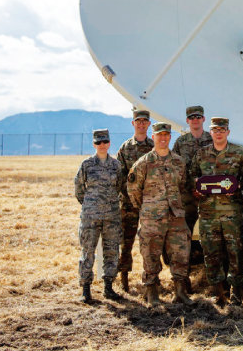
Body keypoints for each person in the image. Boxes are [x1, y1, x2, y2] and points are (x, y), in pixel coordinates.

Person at [128, 122, 194, 307]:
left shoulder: (179, 162)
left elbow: (183, 186)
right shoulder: (143, 163)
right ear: (154, 136)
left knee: (181, 254)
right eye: (159, 135)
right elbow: (133, 190)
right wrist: (147, 209)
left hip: (176, 217)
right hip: (152, 218)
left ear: (170, 137)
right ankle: (152, 293)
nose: (163, 138)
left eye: (166, 135)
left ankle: (180, 292)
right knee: (150, 255)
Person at [189, 117, 243, 306]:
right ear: (211, 132)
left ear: (228, 132)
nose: (219, 133)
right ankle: (218, 292)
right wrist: (196, 188)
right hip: (208, 214)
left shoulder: (239, 154)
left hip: (232, 213)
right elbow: (191, 176)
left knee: (235, 253)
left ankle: (237, 292)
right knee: (211, 254)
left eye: (222, 129)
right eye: (215, 130)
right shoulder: (201, 154)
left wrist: (239, 185)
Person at [74, 128, 123, 303]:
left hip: (111, 217)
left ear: (109, 143)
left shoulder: (116, 166)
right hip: (90, 217)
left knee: (112, 251)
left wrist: (107, 204)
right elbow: (79, 189)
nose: (101, 145)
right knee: (88, 252)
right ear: (93, 144)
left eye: (104, 142)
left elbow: (119, 187)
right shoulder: (86, 165)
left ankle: (108, 287)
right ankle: (86, 289)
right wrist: (90, 205)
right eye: (98, 142)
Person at [116, 108, 154, 292]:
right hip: (129, 205)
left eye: (144, 121)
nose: (141, 124)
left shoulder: (154, 147)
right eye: (138, 121)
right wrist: (132, 194)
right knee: (126, 242)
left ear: (148, 124)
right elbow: (120, 176)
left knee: (150, 243)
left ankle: (152, 280)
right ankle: (124, 279)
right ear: (133, 123)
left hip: (149, 204)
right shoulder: (124, 148)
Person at [172, 105, 213, 234]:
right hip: (188, 195)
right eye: (191, 117)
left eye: (198, 117)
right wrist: (192, 187)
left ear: (203, 119)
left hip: (210, 193)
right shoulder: (180, 142)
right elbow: (175, 168)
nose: (195, 120)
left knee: (211, 232)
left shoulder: (213, 140)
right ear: (187, 120)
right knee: (186, 232)